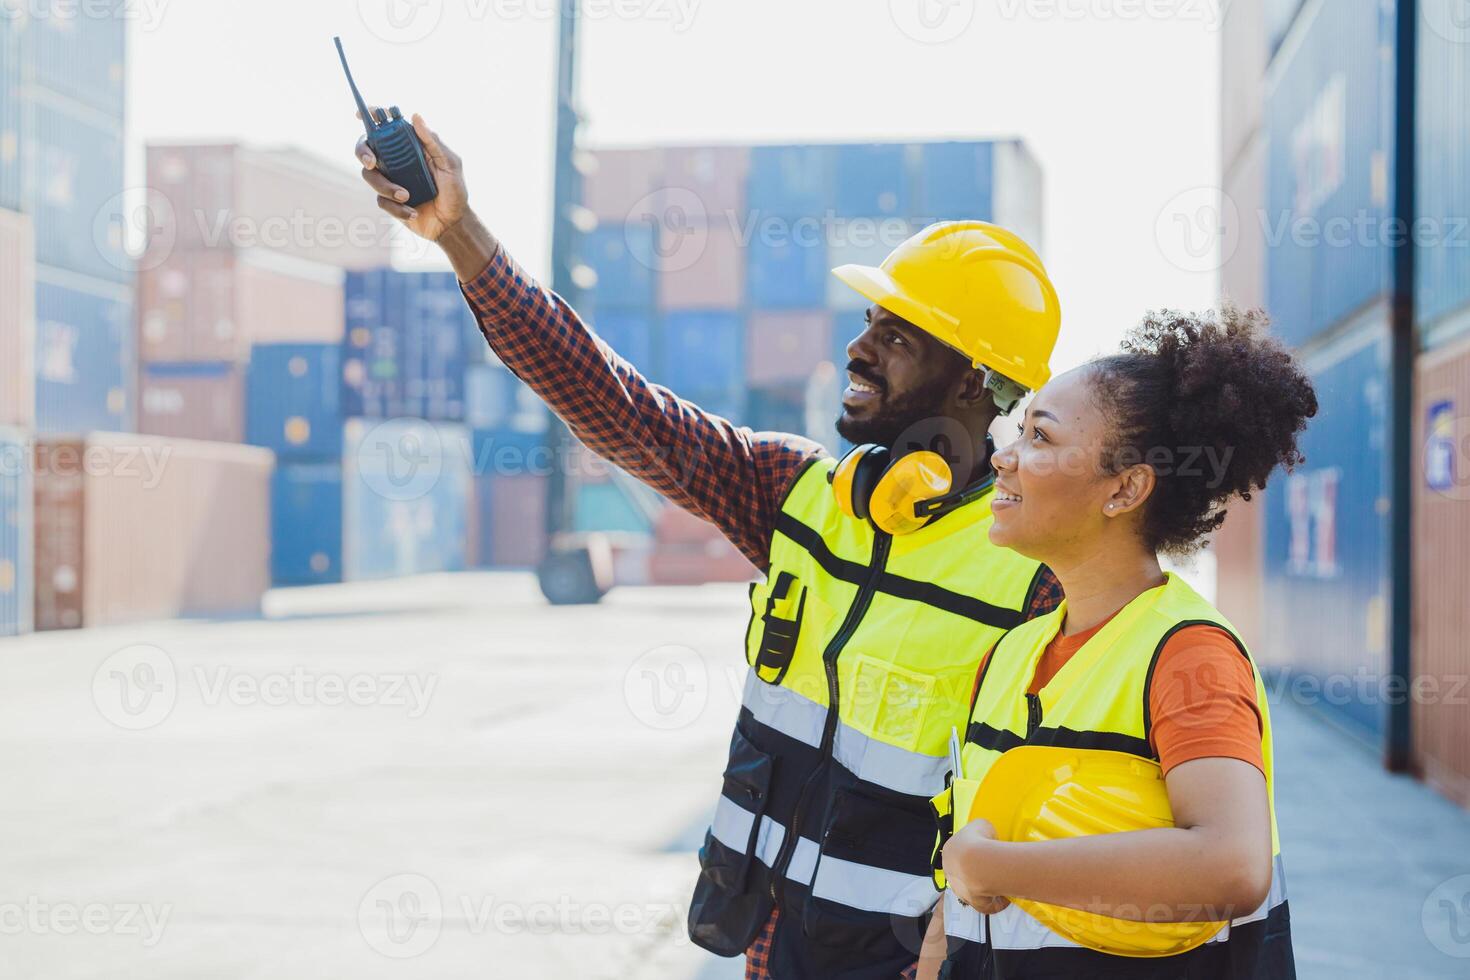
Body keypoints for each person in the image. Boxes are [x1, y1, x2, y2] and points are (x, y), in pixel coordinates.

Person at [356, 115, 1066, 979]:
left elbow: (1061, 808)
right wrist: (456, 233)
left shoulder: (1036, 581)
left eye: (896, 335)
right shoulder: (797, 497)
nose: (857, 346)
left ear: (971, 381)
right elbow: (612, 401)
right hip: (769, 947)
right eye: (868, 320)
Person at [919, 309, 1316, 979]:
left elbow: (1231, 866)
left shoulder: (1187, 655)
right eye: (1019, 431)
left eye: (1039, 437)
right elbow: (962, 906)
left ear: (1126, 488)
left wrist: (994, 866)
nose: (1004, 457)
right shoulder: (1007, 658)